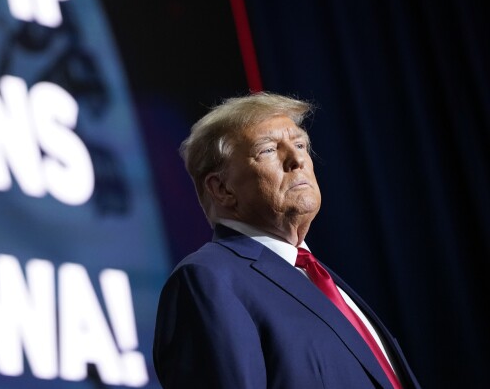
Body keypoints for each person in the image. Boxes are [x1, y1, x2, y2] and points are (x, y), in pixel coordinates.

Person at [152, 92, 421, 388]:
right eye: (268, 150)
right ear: (222, 188)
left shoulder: (322, 279)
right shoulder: (209, 279)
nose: (297, 160)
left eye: (300, 144)